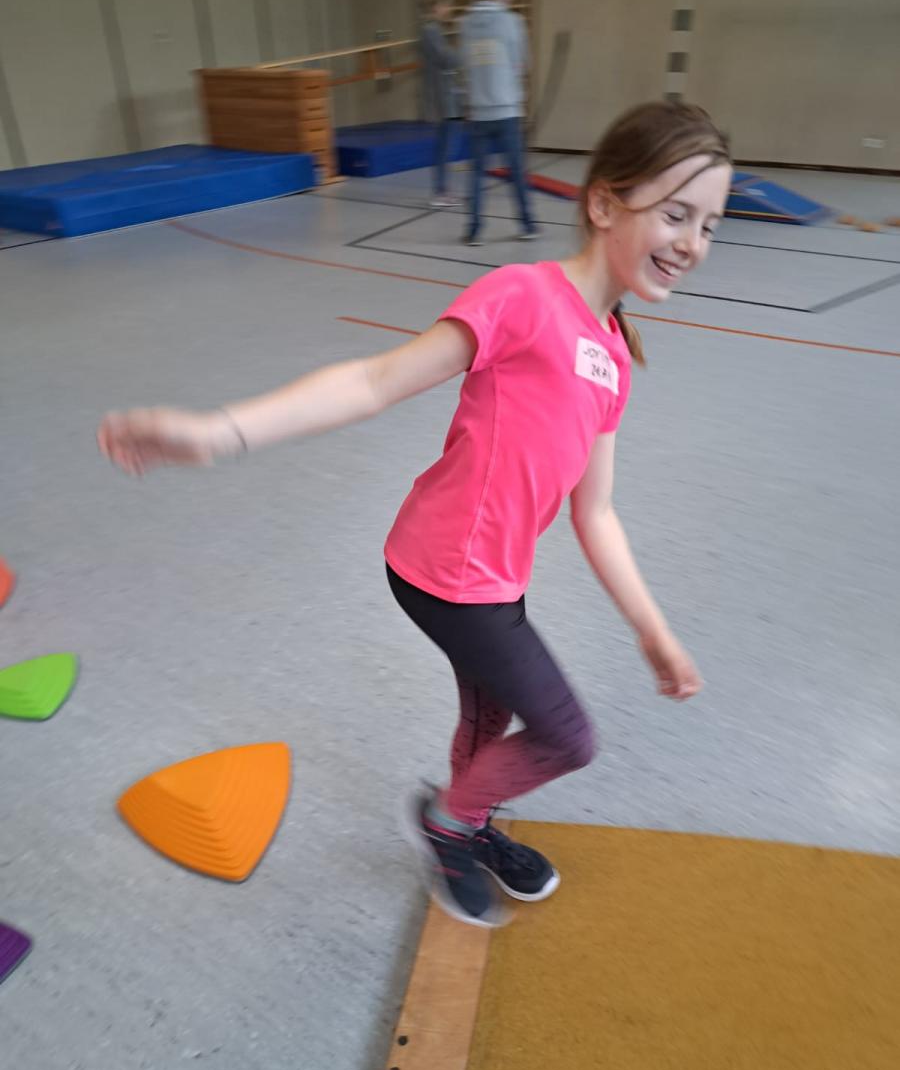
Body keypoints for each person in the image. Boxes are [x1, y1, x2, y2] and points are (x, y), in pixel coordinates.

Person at [97, 101, 732, 929]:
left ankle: (469, 820)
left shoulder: (612, 352)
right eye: (676, 214)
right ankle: (448, 822)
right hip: (447, 573)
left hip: (494, 577)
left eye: (710, 225)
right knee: (567, 737)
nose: (693, 241)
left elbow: (597, 510)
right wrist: (219, 432)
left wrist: (652, 630)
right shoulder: (523, 297)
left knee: (490, 715)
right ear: (605, 203)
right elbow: (375, 381)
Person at [459, 0, 536, 246]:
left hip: (478, 111)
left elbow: (464, 65)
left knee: (476, 174)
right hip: (506, 111)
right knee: (516, 170)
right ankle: (527, 223)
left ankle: (474, 230)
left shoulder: (465, 23)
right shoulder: (512, 22)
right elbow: (522, 64)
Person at [420, 0, 462, 209]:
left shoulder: (436, 31)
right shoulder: (430, 31)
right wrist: (463, 51)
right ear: (436, 7)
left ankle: (443, 189)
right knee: (444, 148)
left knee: (448, 146)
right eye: (446, 5)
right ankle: (439, 191)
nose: (449, 10)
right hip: (442, 99)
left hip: (448, 98)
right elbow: (446, 59)